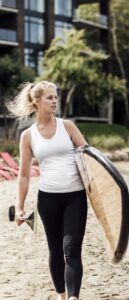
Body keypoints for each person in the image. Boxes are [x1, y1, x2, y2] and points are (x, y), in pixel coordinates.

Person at [7, 81, 88, 300]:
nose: (55, 101)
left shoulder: (68, 126)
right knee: (55, 250)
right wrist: (20, 207)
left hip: (75, 197)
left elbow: (88, 157)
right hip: (48, 199)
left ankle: (73, 297)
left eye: (55, 97)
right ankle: (62, 296)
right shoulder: (28, 136)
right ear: (36, 101)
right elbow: (23, 175)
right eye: (50, 97)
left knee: (71, 249)